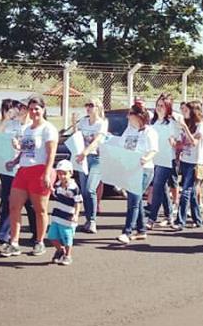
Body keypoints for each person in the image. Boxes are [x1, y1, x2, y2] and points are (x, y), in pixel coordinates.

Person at [2, 95, 57, 257]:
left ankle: (40, 242)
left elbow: (51, 154)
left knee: (40, 209)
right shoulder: (26, 129)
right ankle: (14, 242)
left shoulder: (48, 129)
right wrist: (15, 160)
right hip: (23, 171)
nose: (33, 112)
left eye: (37, 109)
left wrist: (47, 174)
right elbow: (25, 151)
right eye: (31, 109)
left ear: (43, 110)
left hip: (39, 171)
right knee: (14, 206)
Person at [117, 103, 158, 244]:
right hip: (130, 168)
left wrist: (146, 158)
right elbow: (120, 144)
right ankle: (141, 230)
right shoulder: (129, 130)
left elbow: (153, 150)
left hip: (144, 169)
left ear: (138, 116)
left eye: (130, 114)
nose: (128, 116)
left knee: (133, 200)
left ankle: (127, 231)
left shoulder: (149, 132)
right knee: (137, 199)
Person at [0, 99, 23, 249]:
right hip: (7, 166)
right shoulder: (9, 124)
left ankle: (36, 234)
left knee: (24, 202)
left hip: (21, 165)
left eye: (15, 109)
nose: (14, 112)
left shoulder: (24, 124)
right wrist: (6, 119)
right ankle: (3, 234)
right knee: (8, 199)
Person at [75, 98, 108, 234]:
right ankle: (88, 219)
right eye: (86, 105)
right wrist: (73, 122)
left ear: (98, 108)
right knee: (83, 191)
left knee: (90, 189)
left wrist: (85, 152)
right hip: (83, 158)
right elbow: (77, 137)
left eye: (91, 105)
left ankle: (93, 220)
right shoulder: (83, 121)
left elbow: (97, 141)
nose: (88, 108)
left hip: (96, 158)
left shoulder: (102, 123)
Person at [146, 94, 179, 228]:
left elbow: (176, 140)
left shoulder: (171, 122)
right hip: (154, 159)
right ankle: (169, 215)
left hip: (166, 160)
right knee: (163, 188)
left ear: (168, 108)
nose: (159, 108)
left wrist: (173, 142)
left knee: (158, 188)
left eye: (162, 106)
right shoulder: (153, 122)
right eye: (158, 105)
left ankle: (151, 219)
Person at [172, 101, 203, 230]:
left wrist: (185, 127)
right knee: (191, 193)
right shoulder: (188, 124)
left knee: (185, 191)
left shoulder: (200, 125)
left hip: (195, 162)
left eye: (186, 110)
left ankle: (181, 221)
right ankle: (198, 220)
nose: (184, 113)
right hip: (185, 160)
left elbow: (194, 142)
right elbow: (181, 143)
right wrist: (174, 144)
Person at [47, 160, 82, 265]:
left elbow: (78, 202)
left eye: (64, 173)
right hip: (57, 216)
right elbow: (57, 195)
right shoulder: (57, 185)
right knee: (51, 236)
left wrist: (76, 215)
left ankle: (68, 255)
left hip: (68, 218)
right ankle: (60, 250)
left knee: (67, 238)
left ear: (70, 173)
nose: (62, 176)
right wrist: (51, 189)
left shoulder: (74, 188)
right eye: (59, 173)